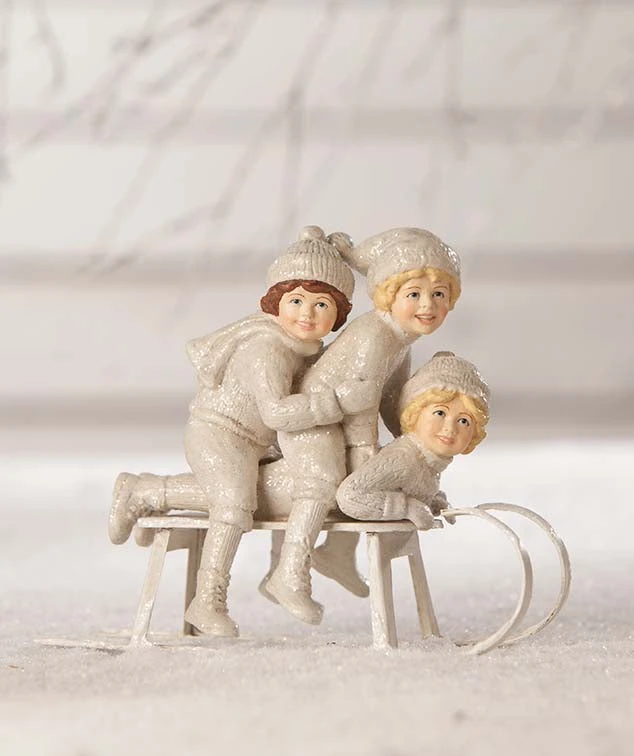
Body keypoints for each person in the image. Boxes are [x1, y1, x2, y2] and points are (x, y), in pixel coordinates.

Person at [108, 226, 359, 637]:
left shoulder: (303, 348)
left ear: (338, 315)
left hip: (255, 442)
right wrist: (336, 402)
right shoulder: (268, 349)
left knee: (271, 494)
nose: (307, 314)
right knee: (235, 505)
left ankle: (146, 490)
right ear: (277, 301)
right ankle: (208, 600)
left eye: (321, 304)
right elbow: (276, 412)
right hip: (219, 433)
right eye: (296, 301)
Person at [260, 228, 463, 624]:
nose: (428, 305)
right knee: (323, 483)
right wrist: (367, 451)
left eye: (439, 294)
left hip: (339, 417)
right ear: (388, 295)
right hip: (313, 420)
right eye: (414, 294)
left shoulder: (399, 338)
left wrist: (411, 443)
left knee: (375, 475)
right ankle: (289, 573)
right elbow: (361, 403)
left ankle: (336, 554)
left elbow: (390, 398)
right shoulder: (375, 335)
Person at [336, 351, 490, 527]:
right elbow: (350, 495)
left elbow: (408, 486)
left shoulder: (428, 461)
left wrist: (432, 501)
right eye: (440, 413)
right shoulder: (403, 460)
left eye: (464, 421)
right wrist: (407, 508)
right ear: (414, 413)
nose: (450, 428)